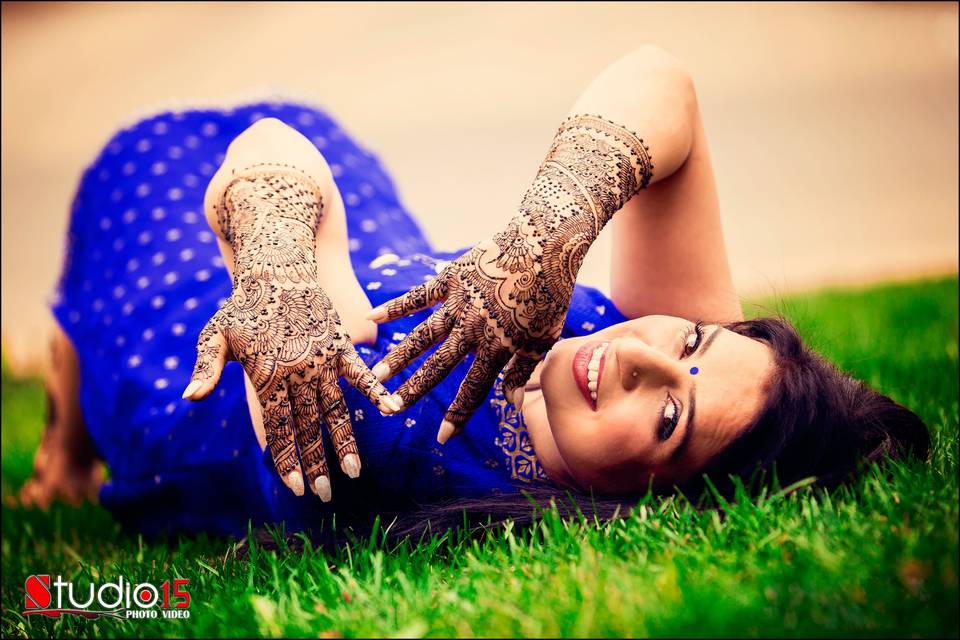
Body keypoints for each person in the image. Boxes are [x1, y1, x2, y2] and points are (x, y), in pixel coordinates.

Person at [20, 46, 929, 539]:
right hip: (346, 213)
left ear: (657, 505)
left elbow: (259, 165)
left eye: (667, 421)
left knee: (87, 345)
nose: (642, 355)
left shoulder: (377, 438)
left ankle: (66, 448)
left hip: (179, 283)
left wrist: (278, 282)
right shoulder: (639, 361)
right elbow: (667, 87)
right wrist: (545, 238)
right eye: (692, 341)